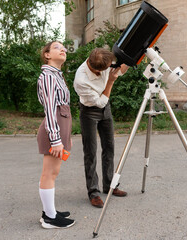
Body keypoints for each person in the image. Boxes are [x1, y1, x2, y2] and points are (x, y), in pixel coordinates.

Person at [74, 48, 129, 208]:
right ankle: (93, 192)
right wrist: (110, 81)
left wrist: (130, 61)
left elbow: (120, 70)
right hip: (90, 111)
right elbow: (99, 102)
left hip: (106, 109)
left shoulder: (103, 59)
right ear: (97, 68)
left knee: (109, 148)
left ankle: (110, 185)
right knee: (90, 152)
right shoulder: (81, 80)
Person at [36, 41, 75, 228]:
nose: (63, 50)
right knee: (49, 172)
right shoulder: (48, 77)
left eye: (64, 48)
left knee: (54, 171)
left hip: (61, 127)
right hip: (54, 128)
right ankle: (49, 218)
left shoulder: (57, 76)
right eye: (57, 47)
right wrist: (56, 139)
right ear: (47, 55)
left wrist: (67, 137)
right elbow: (51, 110)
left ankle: (48, 211)